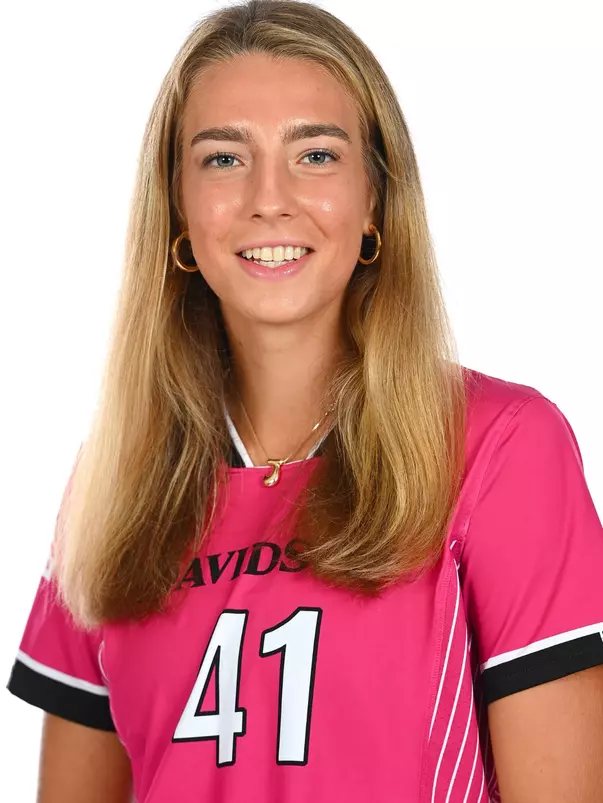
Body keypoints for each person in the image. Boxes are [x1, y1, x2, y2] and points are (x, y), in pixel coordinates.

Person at [6, 1, 603, 801]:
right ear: (178, 211)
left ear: (374, 205)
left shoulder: (497, 446)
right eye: (222, 159)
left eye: (315, 154)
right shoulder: (114, 482)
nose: (269, 199)